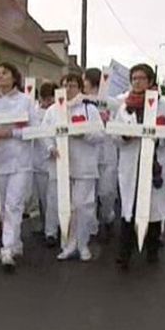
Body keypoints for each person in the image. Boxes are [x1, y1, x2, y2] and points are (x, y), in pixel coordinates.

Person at [115, 64, 165, 268]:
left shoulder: (164, 105)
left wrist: (156, 138)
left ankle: (152, 250)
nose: (137, 82)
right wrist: (124, 136)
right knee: (129, 209)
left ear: (150, 81)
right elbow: (115, 134)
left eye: (141, 78)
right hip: (131, 164)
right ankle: (125, 253)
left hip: (155, 164)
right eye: (134, 78)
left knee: (153, 209)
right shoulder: (124, 106)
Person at [44, 73, 104, 262]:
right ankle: (68, 244)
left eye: (72, 85)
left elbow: (100, 134)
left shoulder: (89, 109)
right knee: (65, 207)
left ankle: (82, 243)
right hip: (62, 165)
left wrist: (84, 134)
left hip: (84, 165)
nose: (68, 89)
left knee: (82, 206)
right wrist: (50, 147)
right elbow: (44, 133)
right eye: (65, 85)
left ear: (79, 88)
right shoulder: (53, 110)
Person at [0, 62, 36, 272]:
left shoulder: (26, 101)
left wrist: (11, 133)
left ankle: (7, 248)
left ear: (14, 77)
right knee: (0, 206)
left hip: (20, 161)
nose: (0, 77)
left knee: (14, 204)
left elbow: (34, 130)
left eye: (5, 73)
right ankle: (14, 242)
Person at [84, 68, 118, 239]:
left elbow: (121, 125)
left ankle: (108, 215)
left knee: (106, 192)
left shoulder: (113, 103)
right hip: (90, 153)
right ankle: (92, 227)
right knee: (89, 195)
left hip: (108, 152)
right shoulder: (83, 103)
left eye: (85, 81)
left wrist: (108, 123)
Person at [32, 81, 57, 247]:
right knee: (43, 197)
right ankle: (45, 224)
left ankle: (52, 230)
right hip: (38, 161)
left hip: (55, 159)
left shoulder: (57, 111)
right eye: (45, 98)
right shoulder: (33, 112)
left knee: (54, 196)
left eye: (51, 98)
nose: (48, 102)